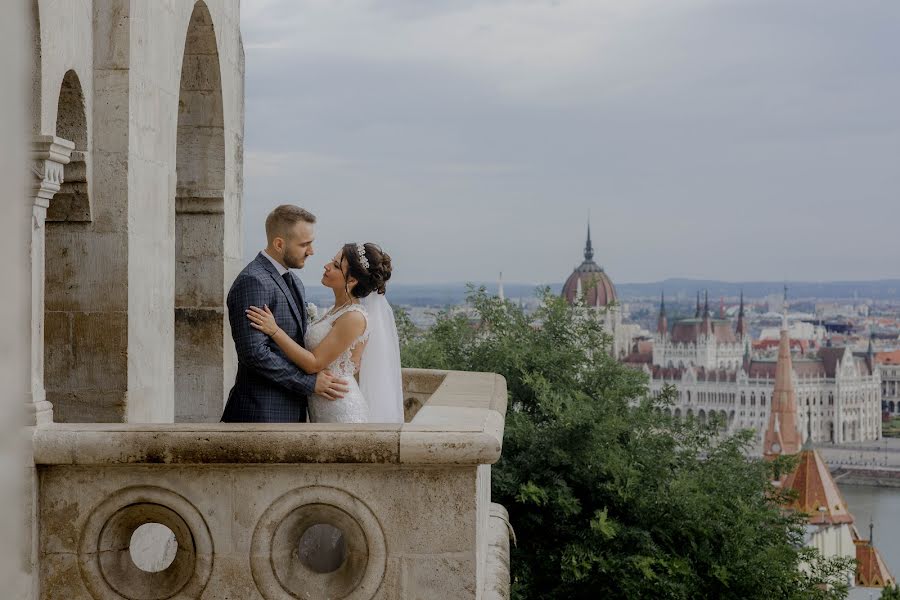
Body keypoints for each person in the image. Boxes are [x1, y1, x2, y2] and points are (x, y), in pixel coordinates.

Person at [245, 241, 404, 424]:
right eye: (332, 261)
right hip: (322, 404)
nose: (326, 266)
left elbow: (314, 364)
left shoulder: (354, 317)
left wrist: (274, 331)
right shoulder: (335, 310)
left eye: (336, 266)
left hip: (341, 409)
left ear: (352, 281)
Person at [220, 205, 348, 423]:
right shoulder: (254, 281)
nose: (311, 251)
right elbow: (255, 355)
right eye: (304, 244)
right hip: (261, 413)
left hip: (293, 412)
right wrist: (309, 383)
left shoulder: (295, 281)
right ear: (279, 244)